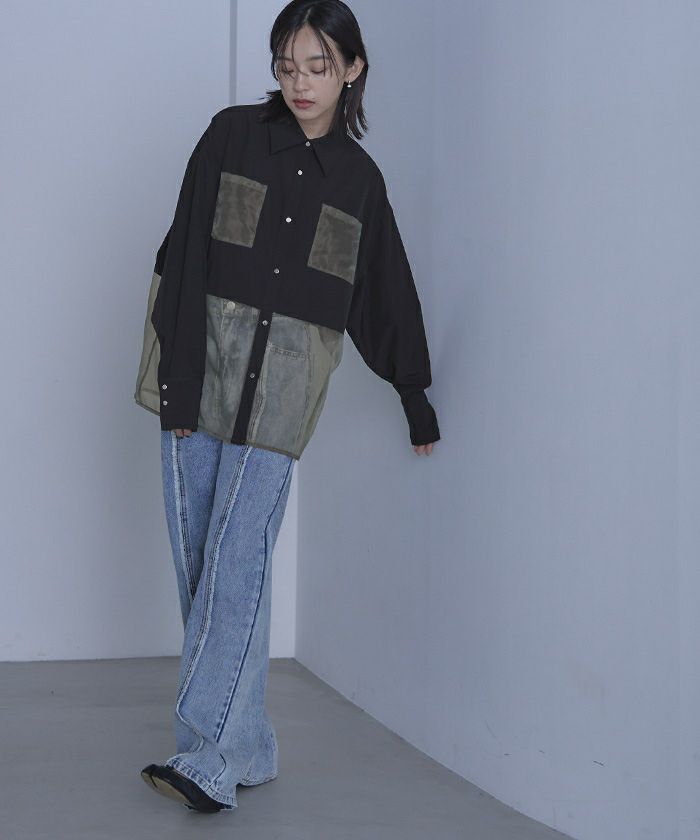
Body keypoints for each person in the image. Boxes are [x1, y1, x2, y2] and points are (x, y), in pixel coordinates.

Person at [134, 0, 441, 814]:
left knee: (236, 565)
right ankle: (251, 745)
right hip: (197, 377)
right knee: (203, 566)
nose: (300, 83)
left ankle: (208, 761)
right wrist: (177, 386)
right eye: (287, 65)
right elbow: (183, 256)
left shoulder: (360, 182)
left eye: (318, 66)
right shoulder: (230, 136)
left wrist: (413, 394)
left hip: (281, 401)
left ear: (353, 69)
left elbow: (383, 292)